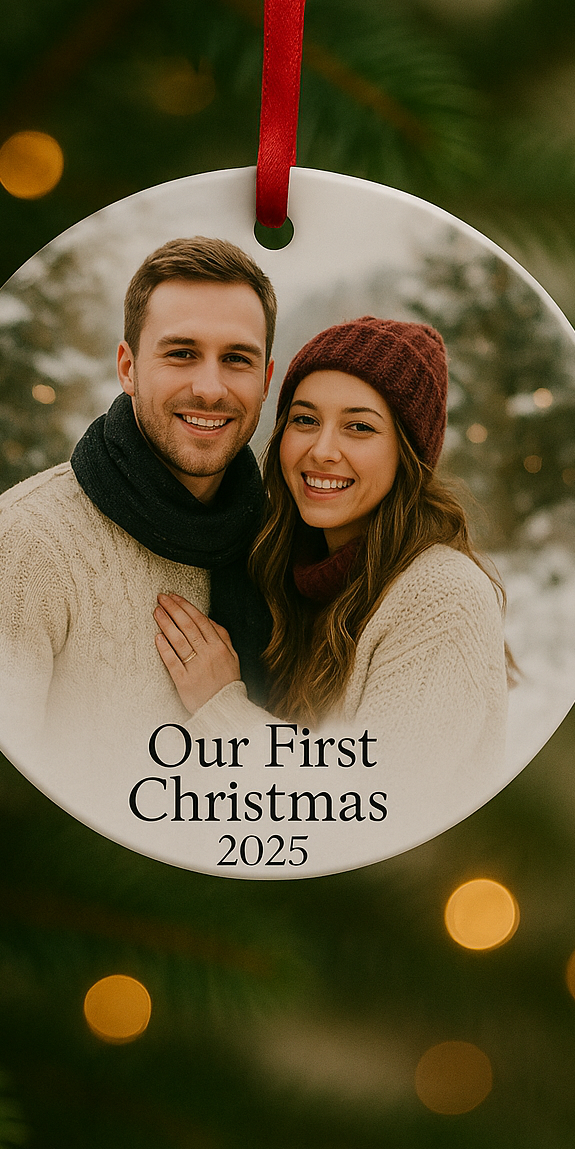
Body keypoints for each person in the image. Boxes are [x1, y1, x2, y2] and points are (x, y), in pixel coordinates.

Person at [0, 237, 276, 778]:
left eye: (236, 359)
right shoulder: (22, 547)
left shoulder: (280, 542)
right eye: (181, 353)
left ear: (266, 379)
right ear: (127, 367)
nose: (210, 389)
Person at [152, 317, 508, 796]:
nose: (322, 450)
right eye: (305, 420)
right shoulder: (289, 573)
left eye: (359, 427)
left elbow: (370, 802)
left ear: (408, 454)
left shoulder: (443, 595)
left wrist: (219, 705)